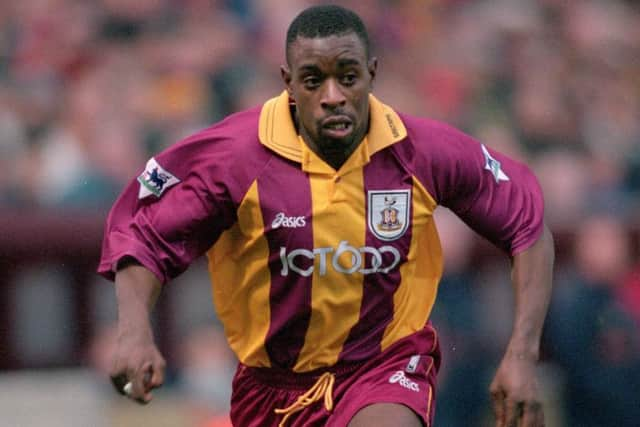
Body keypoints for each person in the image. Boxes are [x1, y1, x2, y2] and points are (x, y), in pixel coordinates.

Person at [99, 5, 554, 427]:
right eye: (313, 80)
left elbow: (527, 226)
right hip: (270, 386)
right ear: (289, 81)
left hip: (384, 366)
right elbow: (144, 235)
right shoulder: (235, 159)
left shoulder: (421, 152)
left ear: (372, 74)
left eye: (349, 77)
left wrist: (521, 354)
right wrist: (134, 333)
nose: (333, 96)